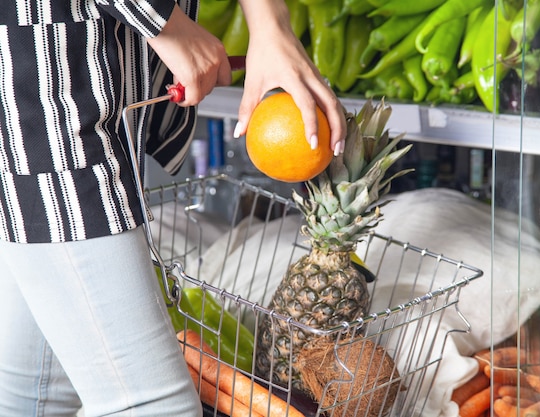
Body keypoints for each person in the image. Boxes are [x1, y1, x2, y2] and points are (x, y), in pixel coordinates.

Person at [0, 0, 346, 416]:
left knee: (37, 395)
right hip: (49, 95)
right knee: (157, 407)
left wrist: (271, 24)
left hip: (89, 78)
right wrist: (165, 22)